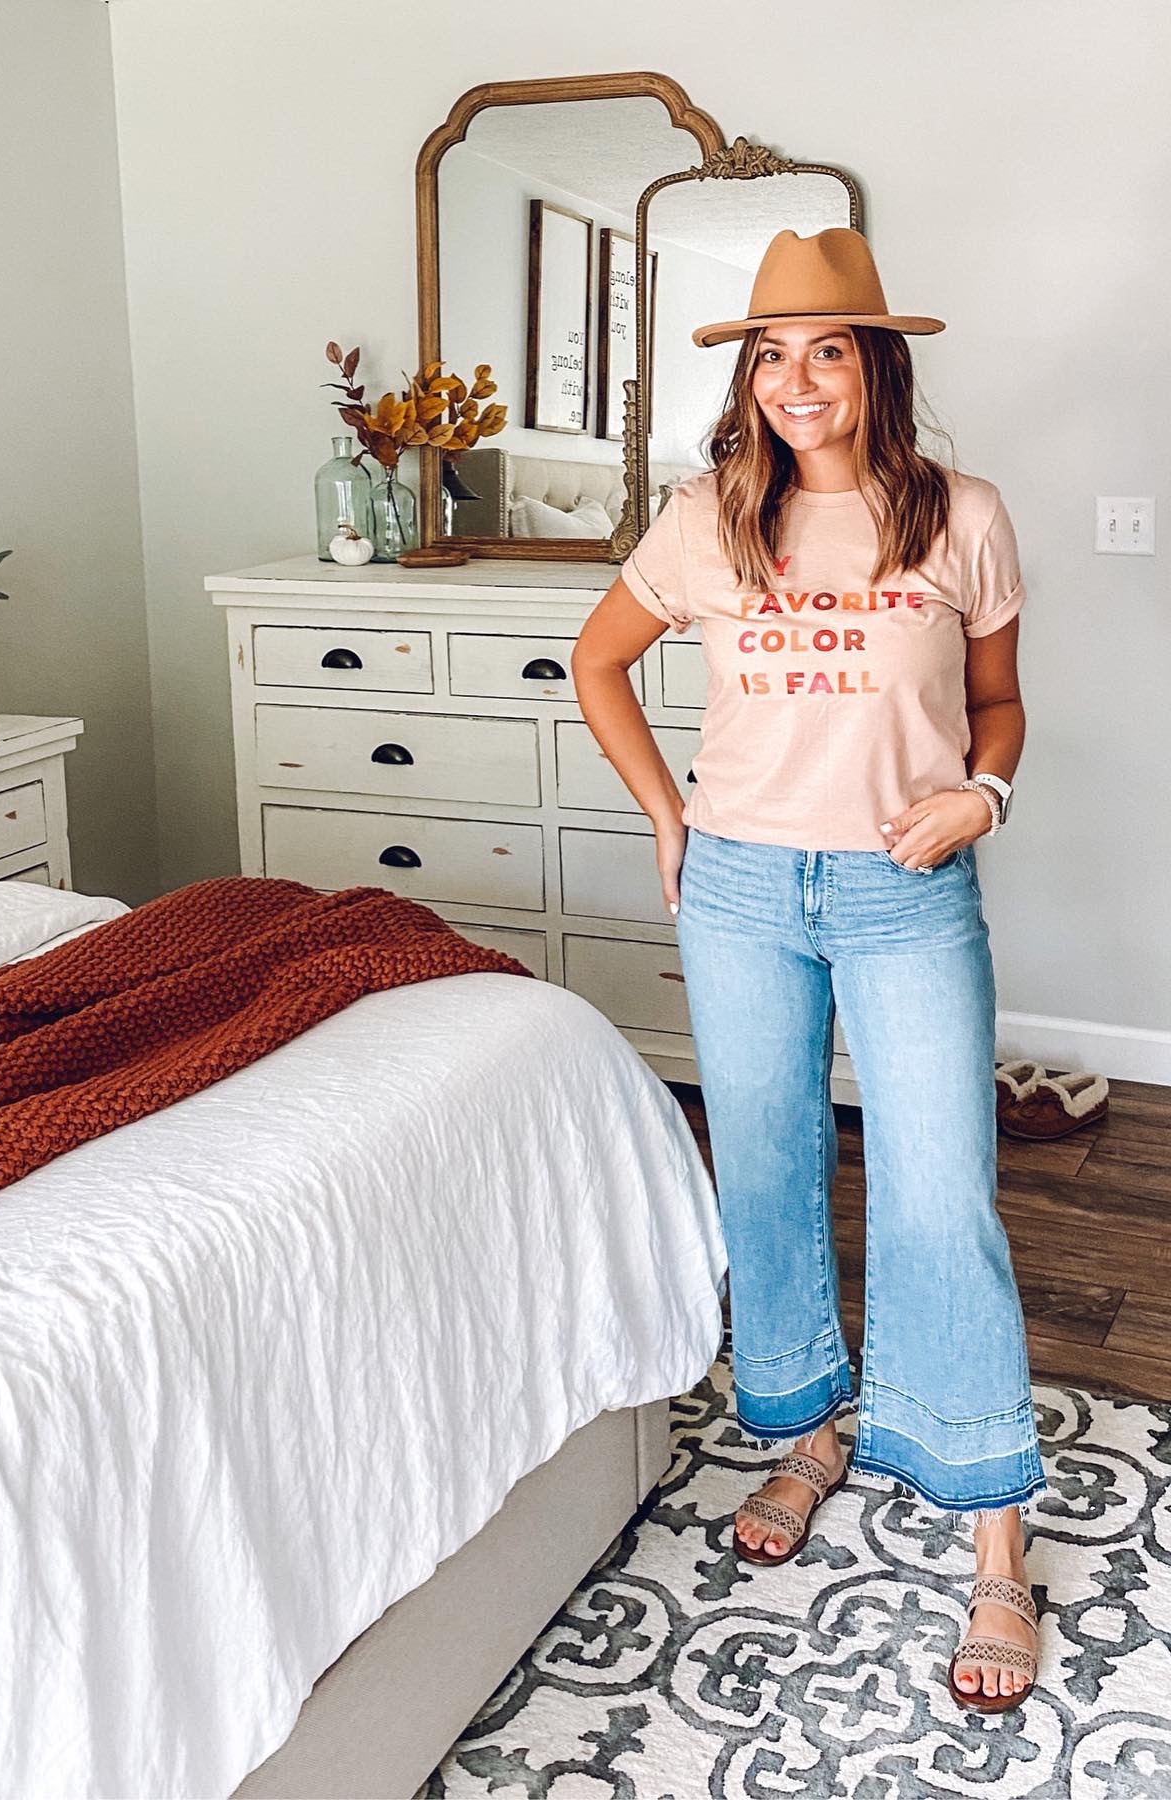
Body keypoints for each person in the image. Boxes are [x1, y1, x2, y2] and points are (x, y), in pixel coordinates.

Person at [571, 227, 1046, 1713]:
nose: (795, 381)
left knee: (937, 1188)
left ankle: (995, 1538)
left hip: (908, 891)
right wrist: (667, 820)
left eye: (825, 350)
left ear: (875, 365)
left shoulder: (960, 515)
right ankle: (811, 1428)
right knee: (768, 1171)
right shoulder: (705, 521)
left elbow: (1000, 703)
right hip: (742, 891)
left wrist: (986, 794)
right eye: (770, 355)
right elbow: (597, 664)